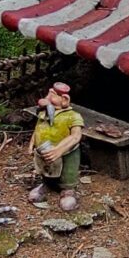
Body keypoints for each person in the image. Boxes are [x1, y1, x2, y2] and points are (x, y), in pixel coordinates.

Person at [28, 82, 84, 212]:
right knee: (45, 168)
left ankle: (68, 190)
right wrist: (32, 142)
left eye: (51, 96)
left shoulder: (73, 116)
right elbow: (38, 129)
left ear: (64, 99)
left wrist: (59, 149)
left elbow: (76, 136)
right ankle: (46, 184)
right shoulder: (44, 114)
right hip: (44, 151)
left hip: (66, 153)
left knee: (67, 172)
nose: (46, 99)